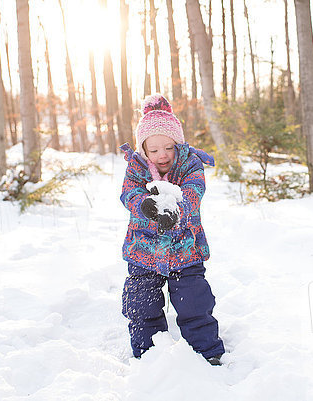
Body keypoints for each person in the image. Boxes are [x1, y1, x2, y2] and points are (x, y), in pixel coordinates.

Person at [119, 94, 225, 366]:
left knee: (194, 303)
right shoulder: (136, 167)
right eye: (153, 151)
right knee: (142, 305)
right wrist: (146, 206)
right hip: (144, 253)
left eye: (168, 147)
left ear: (178, 144)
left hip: (185, 251)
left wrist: (177, 209)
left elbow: (194, 191)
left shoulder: (190, 164)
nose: (162, 155)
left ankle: (207, 353)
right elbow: (129, 194)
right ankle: (148, 356)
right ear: (143, 150)